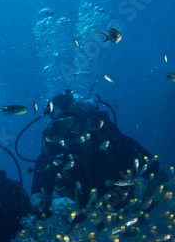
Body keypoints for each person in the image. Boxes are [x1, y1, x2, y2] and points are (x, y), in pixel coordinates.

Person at [30, 90, 164, 213]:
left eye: (74, 124)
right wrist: (51, 204)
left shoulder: (113, 143)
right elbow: (35, 198)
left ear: (87, 123)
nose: (70, 133)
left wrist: (141, 213)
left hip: (123, 208)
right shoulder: (51, 157)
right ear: (54, 130)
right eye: (61, 127)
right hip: (82, 221)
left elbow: (159, 174)